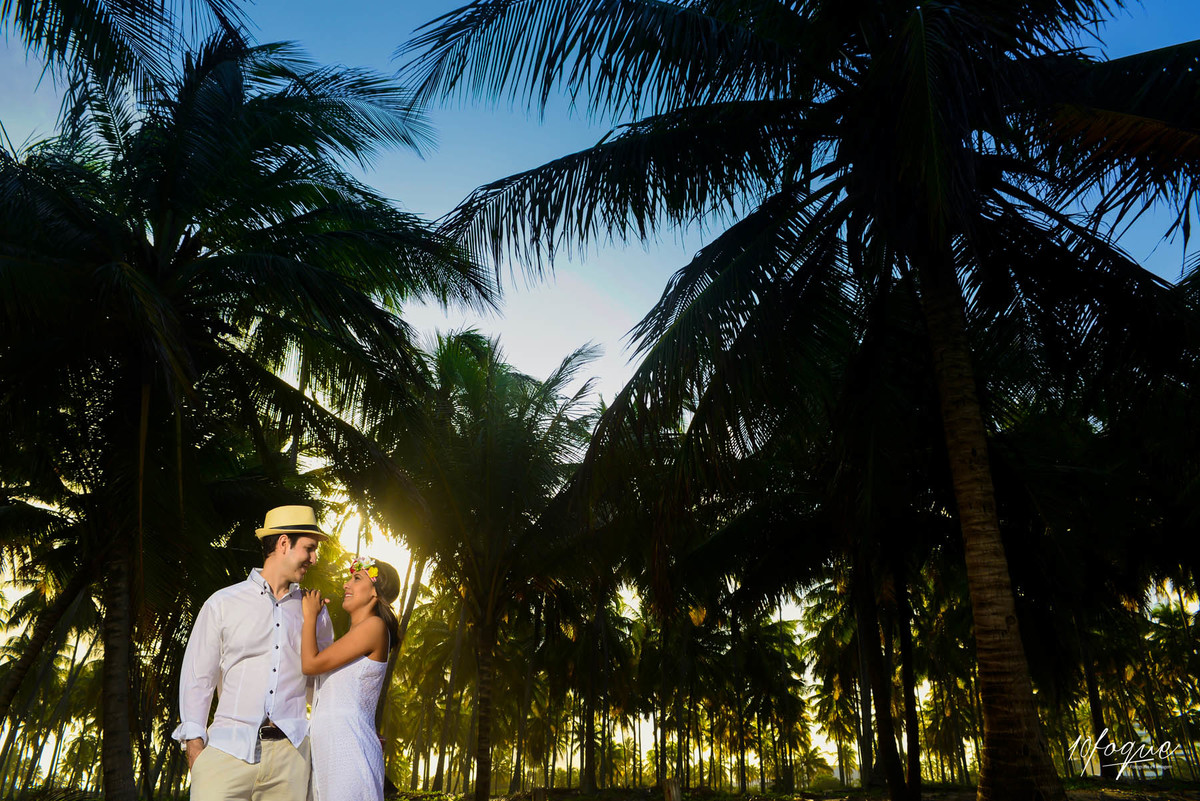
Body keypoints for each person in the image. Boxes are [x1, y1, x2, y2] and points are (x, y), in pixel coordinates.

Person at [172, 505, 334, 801]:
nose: (314, 559)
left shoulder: (316, 614)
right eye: (309, 549)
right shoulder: (222, 603)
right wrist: (195, 747)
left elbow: (323, 688)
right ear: (284, 543)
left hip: (290, 762)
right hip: (226, 752)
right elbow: (199, 678)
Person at [302, 554, 401, 801]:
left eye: (356, 578)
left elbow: (310, 664)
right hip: (332, 753)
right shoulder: (352, 639)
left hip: (349, 752)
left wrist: (309, 616)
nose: (346, 584)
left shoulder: (375, 626)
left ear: (375, 593)